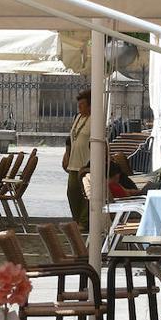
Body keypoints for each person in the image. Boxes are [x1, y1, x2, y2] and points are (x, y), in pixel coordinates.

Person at [63, 89, 92, 228]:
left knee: (86, 193)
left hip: (87, 163)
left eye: (82, 105)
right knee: (72, 192)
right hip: (74, 162)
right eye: (79, 105)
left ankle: (84, 221)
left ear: (90, 106)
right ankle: (77, 220)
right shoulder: (78, 117)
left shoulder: (95, 120)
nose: (79, 108)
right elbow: (70, 139)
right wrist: (66, 154)